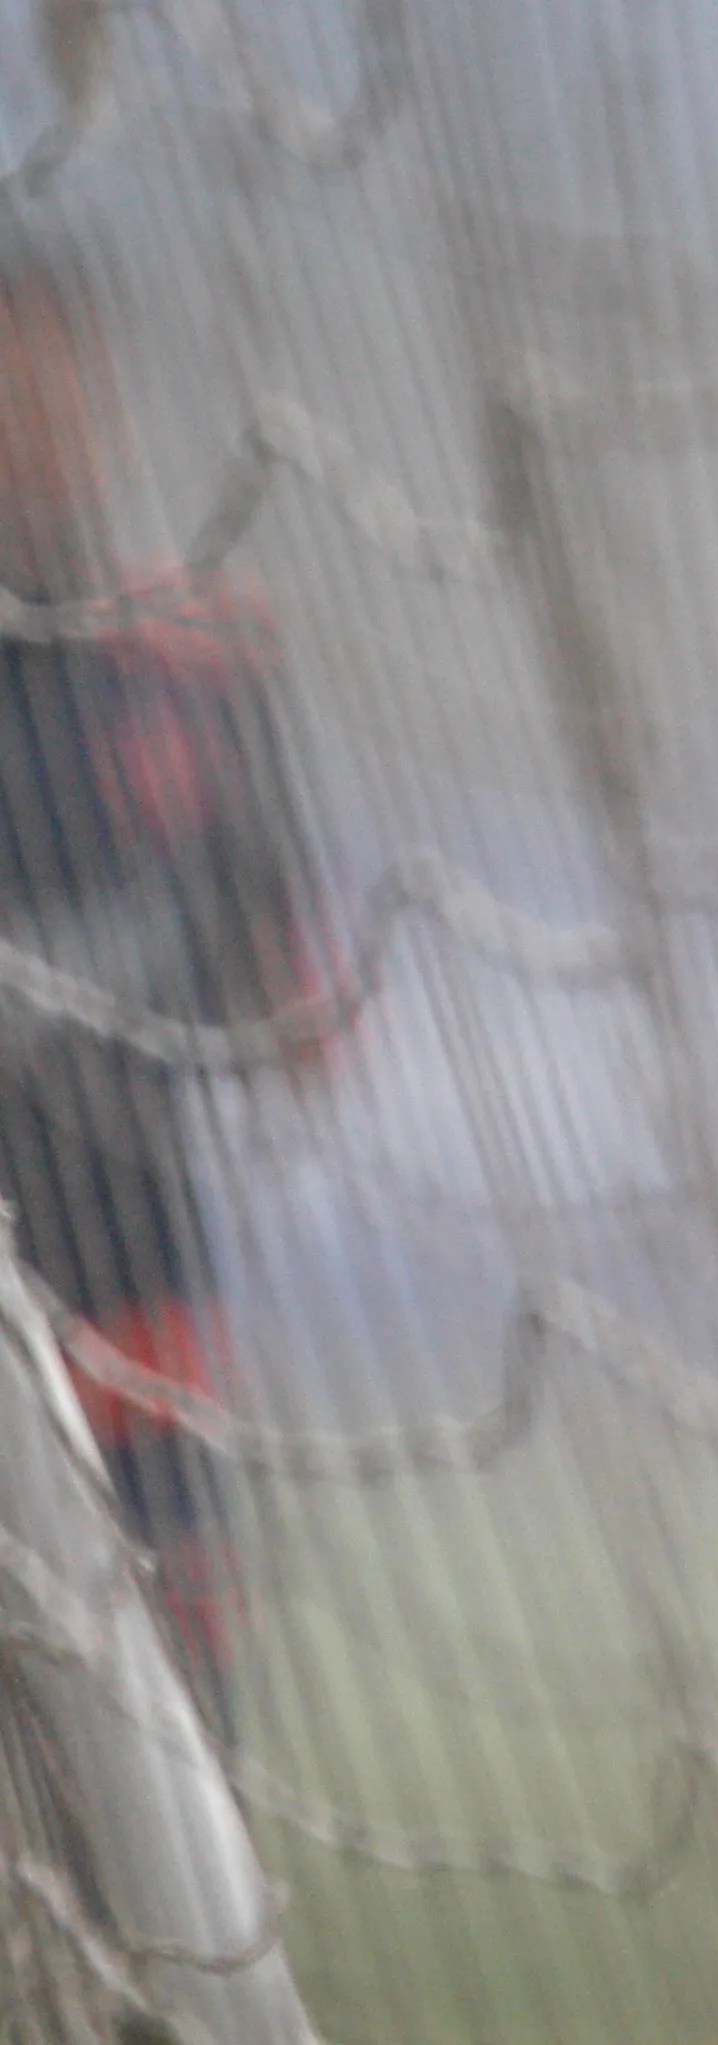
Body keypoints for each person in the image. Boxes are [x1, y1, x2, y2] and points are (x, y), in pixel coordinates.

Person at [0, 226, 316, 1742]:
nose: (41, 418)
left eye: (65, 379)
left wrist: (242, 994)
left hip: (144, 1331)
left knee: (183, 1763)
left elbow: (291, 1009)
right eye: (15, 381)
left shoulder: (192, 663)